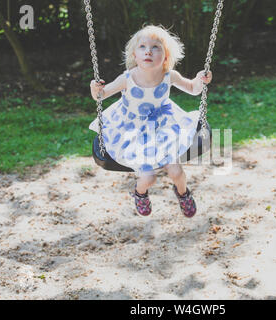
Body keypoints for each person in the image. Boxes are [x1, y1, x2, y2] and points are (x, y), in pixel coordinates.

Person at [89, 25, 212, 218]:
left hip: (164, 129)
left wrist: (200, 80)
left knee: (176, 171)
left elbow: (193, 88)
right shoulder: (127, 78)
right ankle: (140, 193)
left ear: (166, 56)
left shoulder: (169, 75)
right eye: (142, 47)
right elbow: (101, 95)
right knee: (148, 176)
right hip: (132, 132)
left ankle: (183, 193)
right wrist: (95, 89)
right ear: (134, 56)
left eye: (156, 47)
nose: (148, 51)